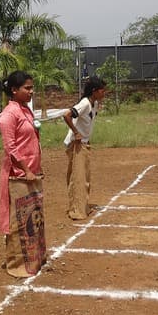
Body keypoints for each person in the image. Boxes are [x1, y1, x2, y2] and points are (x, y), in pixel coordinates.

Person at [0, 70, 47, 278]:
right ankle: (19, 264)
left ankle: (35, 259)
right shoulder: (9, 115)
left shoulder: (25, 110)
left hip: (32, 174)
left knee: (34, 219)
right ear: (14, 90)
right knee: (20, 222)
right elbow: (11, 148)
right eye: (27, 88)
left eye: (31, 87)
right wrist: (26, 170)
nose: (31, 91)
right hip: (18, 176)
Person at [62, 76, 106, 220]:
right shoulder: (85, 103)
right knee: (78, 177)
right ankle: (77, 210)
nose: (103, 93)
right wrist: (76, 132)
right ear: (94, 91)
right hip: (76, 144)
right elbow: (67, 115)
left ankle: (81, 206)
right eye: (101, 91)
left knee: (83, 176)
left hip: (83, 143)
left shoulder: (93, 104)